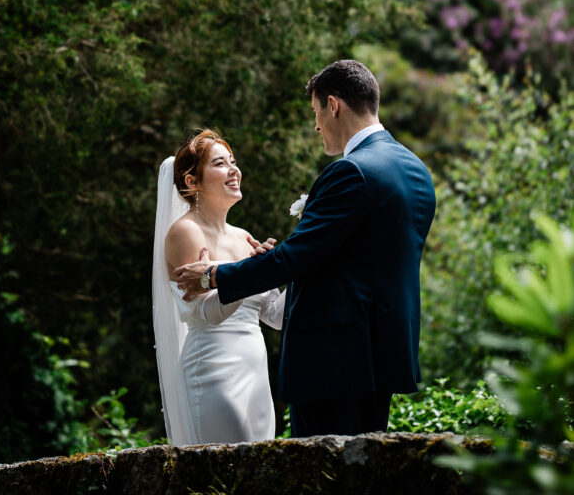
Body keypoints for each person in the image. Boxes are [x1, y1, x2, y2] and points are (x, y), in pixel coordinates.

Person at [175, 59, 436, 439]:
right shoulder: (416, 172)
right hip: (384, 354)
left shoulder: (352, 171)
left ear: (334, 106)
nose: (316, 125)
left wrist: (213, 273)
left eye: (316, 113)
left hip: (333, 361)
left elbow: (296, 257)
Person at [152, 128, 285, 445]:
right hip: (213, 371)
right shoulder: (185, 232)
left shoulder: (243, 236)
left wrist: (310, 262)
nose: (234, 169)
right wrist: (250, 270)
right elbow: (207, 312)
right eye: (220, 163)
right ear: (192, 182)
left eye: (233, 161)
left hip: (256, 373)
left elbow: (277, 316)